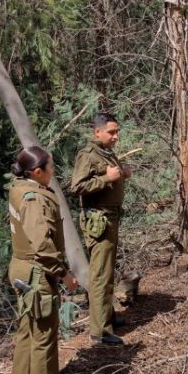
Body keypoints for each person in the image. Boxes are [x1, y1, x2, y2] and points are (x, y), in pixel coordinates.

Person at [8, 146, 79, 374]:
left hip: (21, 267)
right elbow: (43, 246)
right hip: (37, 273)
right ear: (37, 172)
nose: (53, 173)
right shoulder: (35, 199)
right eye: (51, 168)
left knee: (27, 330)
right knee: (44, 339)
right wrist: (64, 274)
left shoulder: (18, 187)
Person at [71, 112, 132, 346]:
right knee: (100, 276)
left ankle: (108, 317)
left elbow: (109, 176)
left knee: (107, 274)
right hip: (99, 221)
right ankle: (99, 332)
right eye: (111, 132)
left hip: (110, 219)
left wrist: (120, 174)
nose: (116, 136)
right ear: (97, 132)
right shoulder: (88, 154)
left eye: (117, 131)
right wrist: (107, 178)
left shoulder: (106, 151)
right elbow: (78, 186)